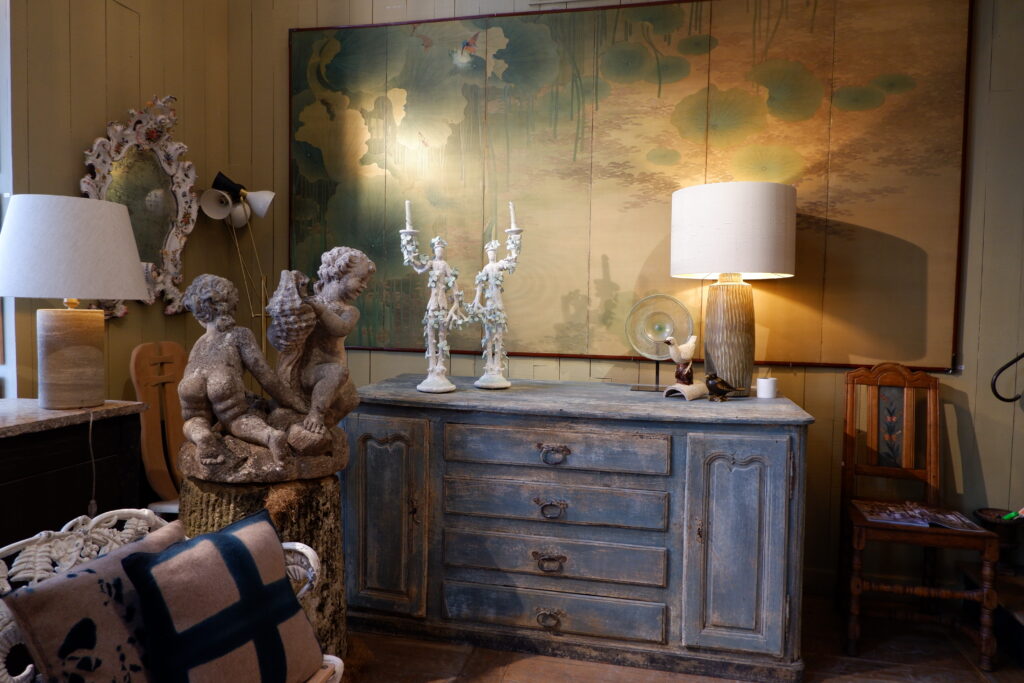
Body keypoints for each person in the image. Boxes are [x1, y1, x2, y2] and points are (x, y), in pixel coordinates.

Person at [179, 274, 307, 467]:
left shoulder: (199, 343)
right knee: (236, 419)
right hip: (222, 378)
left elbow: (195, 371)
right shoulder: (240, 334)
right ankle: (269, 436)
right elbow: (266, 376)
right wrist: (294, 402)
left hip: (190, 383)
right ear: (231, 305)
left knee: (193, 420)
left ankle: (201, 435)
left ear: (199, 311)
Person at [299, 246, 376, 434]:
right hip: (311, 372)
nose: (364, 286)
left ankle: (324, 427)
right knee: (338, 372)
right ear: (338, 274)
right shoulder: (311, 304)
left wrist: (321, 311)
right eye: (361, 279)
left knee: (351, 399)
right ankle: (315, 415)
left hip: (335, 376)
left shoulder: (349, 311)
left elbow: (341, 329)